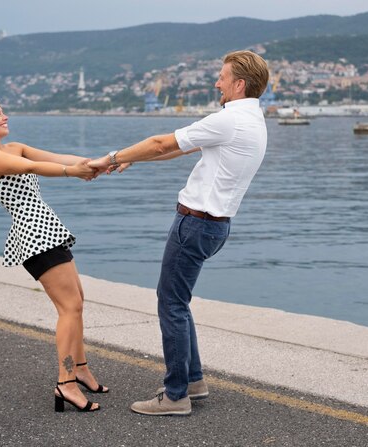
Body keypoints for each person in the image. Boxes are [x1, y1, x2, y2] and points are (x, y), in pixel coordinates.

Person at [89, 50, 269, 416]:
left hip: (195, 224)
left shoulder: (231, 120)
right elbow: (180, 149)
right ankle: (192, 380)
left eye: (222, 77)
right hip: (214, 226)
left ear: (239, 84)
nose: (216, 82)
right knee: (179, 302)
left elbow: (161, 142)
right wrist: (130, 158)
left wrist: (110, 157)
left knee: (170, 303)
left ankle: (175, 396)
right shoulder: (251, 120)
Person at [0, 98, 107, 413]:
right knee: (69, 308)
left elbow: (55, 157)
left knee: (77, 301)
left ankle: (79, 368)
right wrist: (73, 172)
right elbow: (34, 167)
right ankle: (65, 383)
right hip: (34, 235)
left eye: (3, 111)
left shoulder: (14, 147)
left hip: (47, 229)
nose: (5, 116)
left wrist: (100, 162)